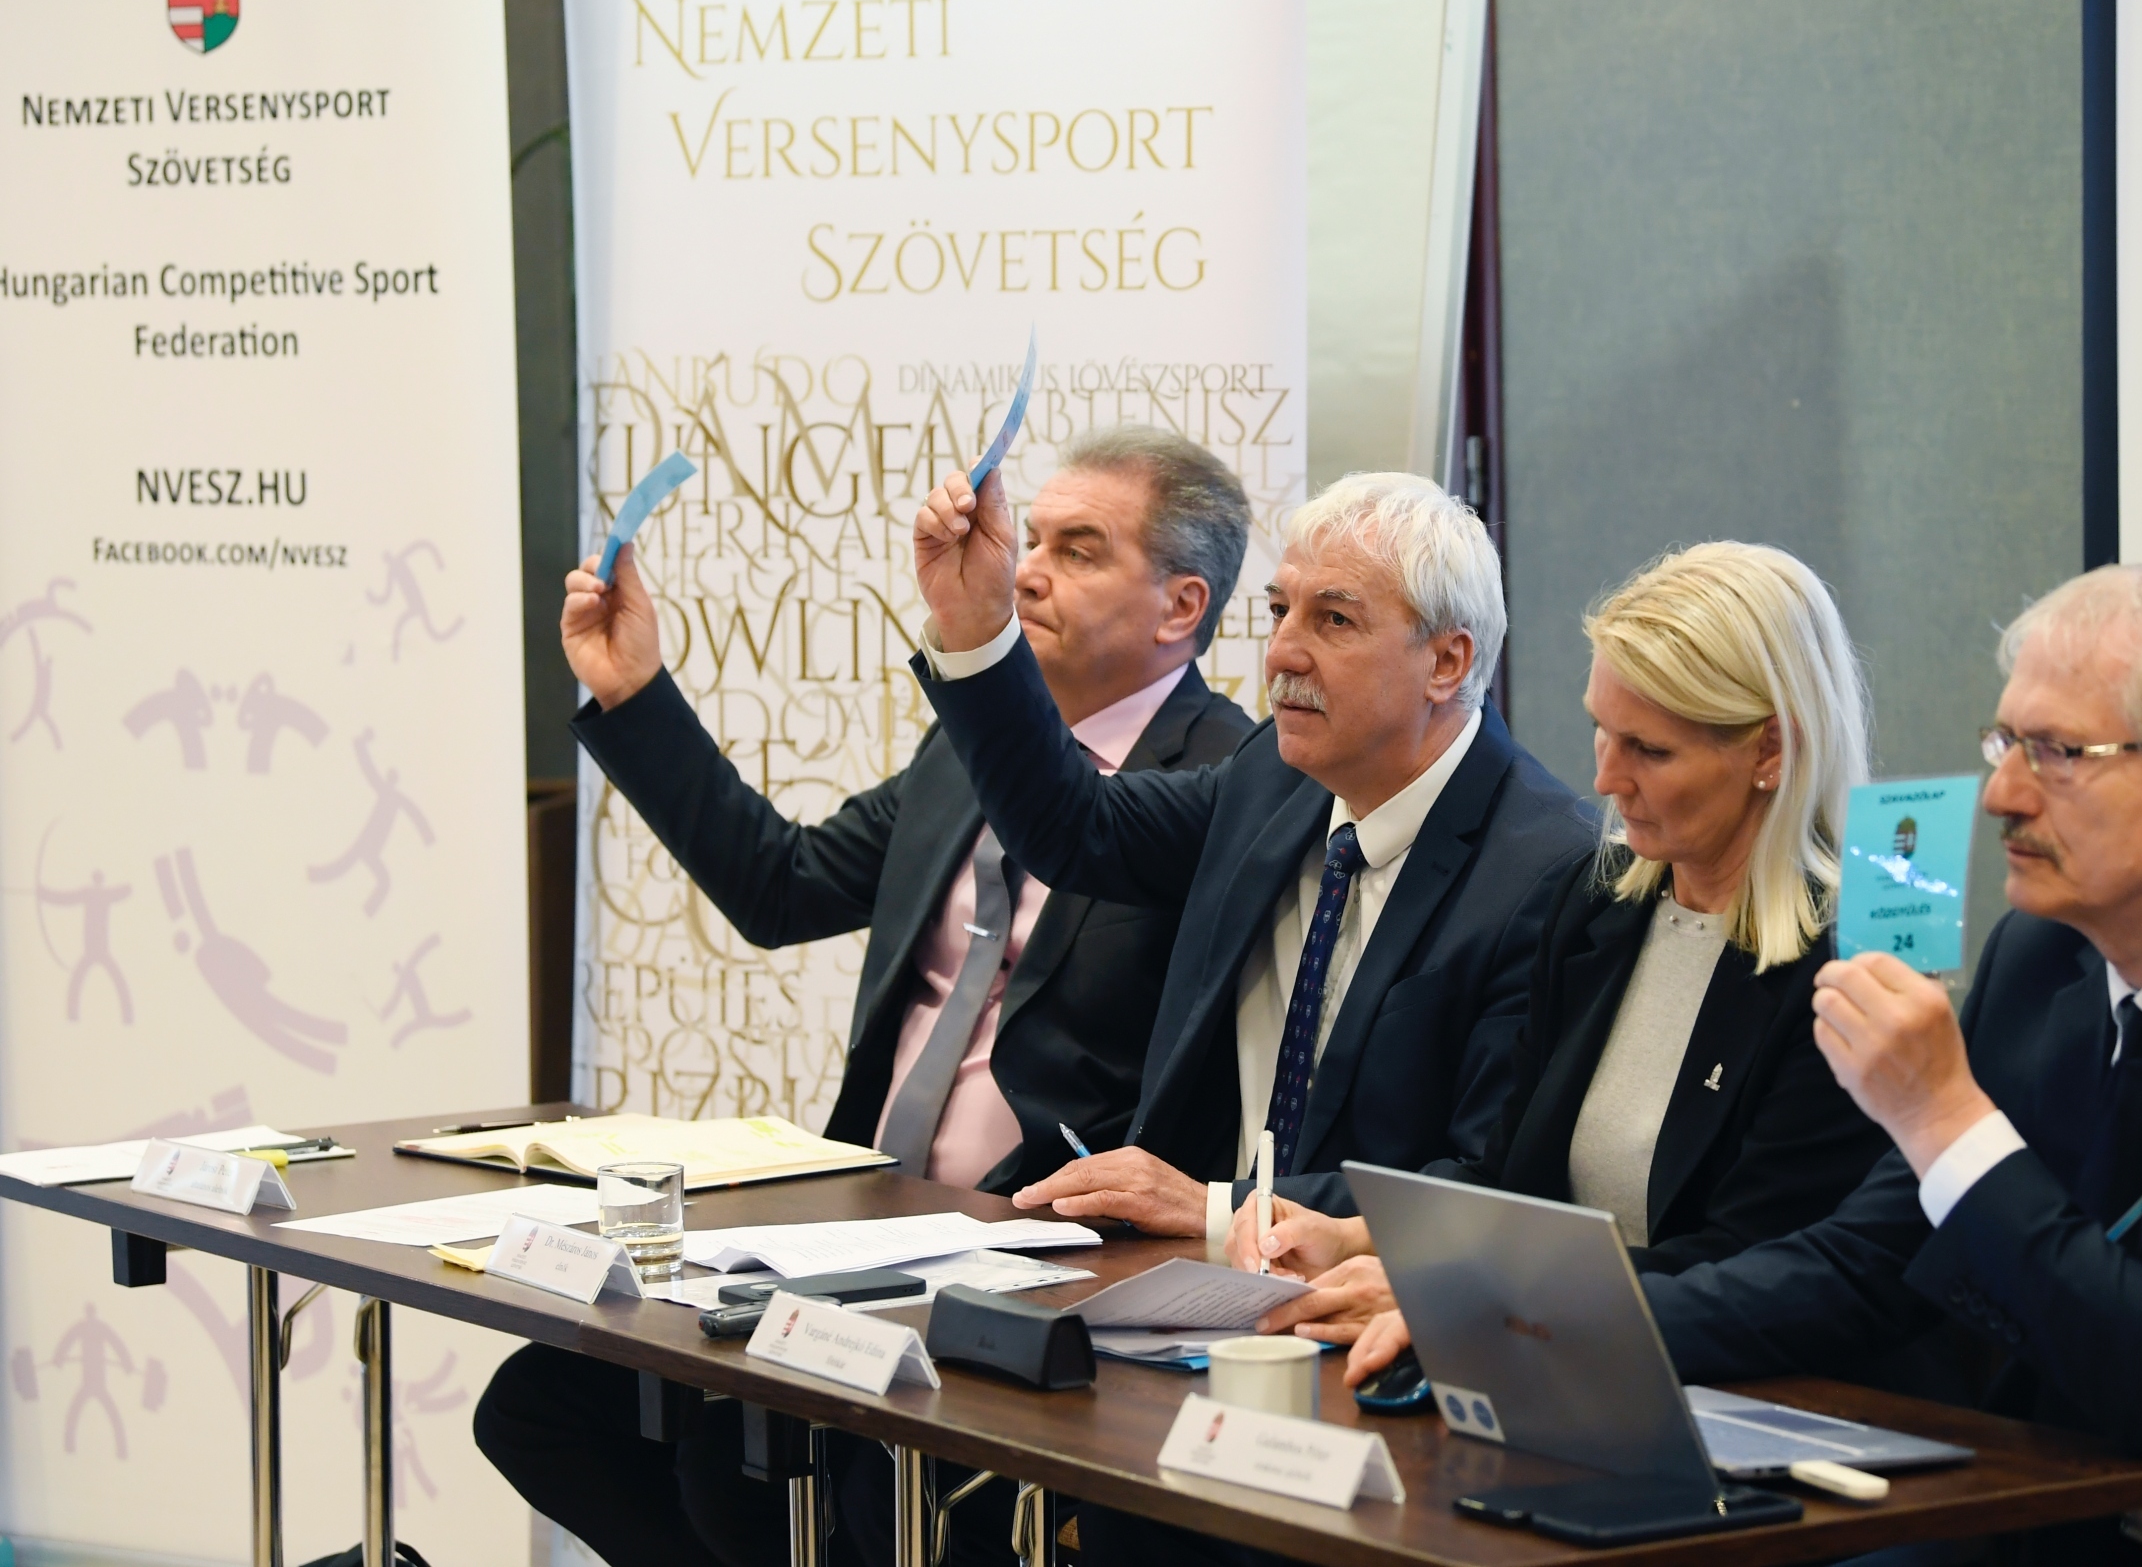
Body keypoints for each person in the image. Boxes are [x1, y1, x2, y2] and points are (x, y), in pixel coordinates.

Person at [1352, 563, 2142, 1565]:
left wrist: (1942, 1112)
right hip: (2071, 1512)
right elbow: (1867, 1257)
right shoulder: (2045, 958)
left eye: (2057, 753)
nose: (1999, 793)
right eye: (2003, 740)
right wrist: (1525, 1321)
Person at [475, 428, 1256, 1567]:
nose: (1028, 570)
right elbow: (779, 884)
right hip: (866, 1226)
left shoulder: (1230, 784)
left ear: (1180, 605)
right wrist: (633, 690)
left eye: (1079, 549)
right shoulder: (969, 750)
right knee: (546, 1406)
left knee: (746, 1476)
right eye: (1032, 539)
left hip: (1042, 1262)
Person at [1225, 543, 1894, 1354]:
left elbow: (1754, 1265)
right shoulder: (1596, 903)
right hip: (1547, 1358)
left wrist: (1467, 1287)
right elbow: (1509, 1179)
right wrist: (1357, 1236)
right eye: (1601, 732)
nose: (1606, 778)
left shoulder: (1849, 963)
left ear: (1769, 751)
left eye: (1650, 750)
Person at [910, 467, 1597, 1247]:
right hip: (1176, 1275)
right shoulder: (1275, 771)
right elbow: (1075, 826)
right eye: (1279, 611)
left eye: (1334, 620)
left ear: (1446, 663)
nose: (1283, 654)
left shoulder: (1550, 870)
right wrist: (976, 623)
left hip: (1369, 1295)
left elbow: (1482, 1184)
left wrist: (1218, 1208)